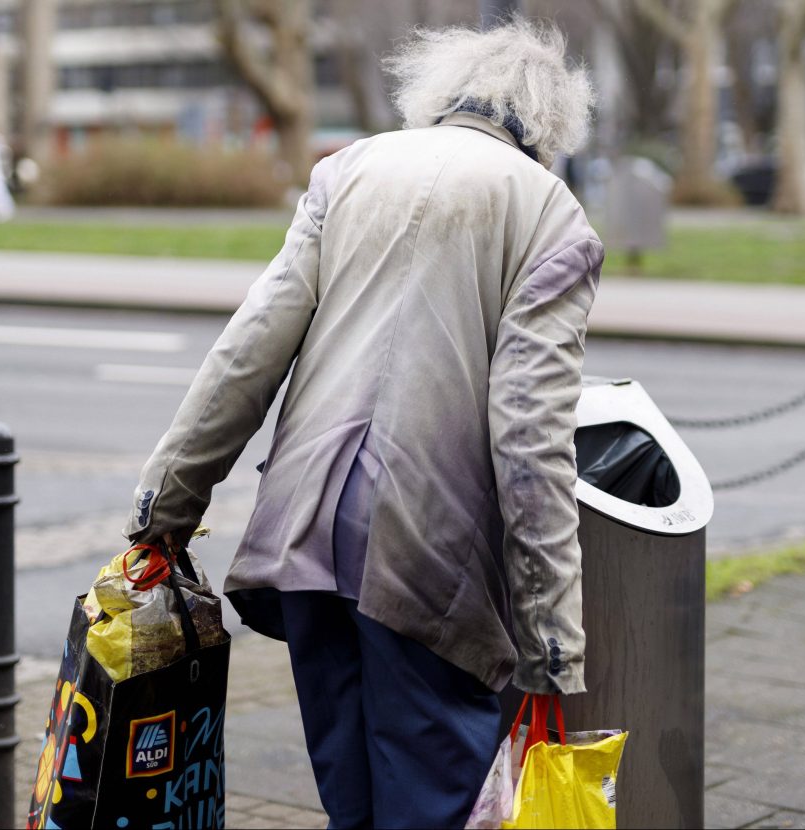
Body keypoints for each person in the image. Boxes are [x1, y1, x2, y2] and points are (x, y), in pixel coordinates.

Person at [124, 18, 602, 829]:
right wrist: (553, 648)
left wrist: (163, 512)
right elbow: (531, 443)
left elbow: (248, 351)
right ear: (550, 125)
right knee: (432, 802)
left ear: (438, 93)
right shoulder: (551, 216)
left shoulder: (348, 170)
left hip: (303, 536)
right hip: (430, 558)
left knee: (354, 804)